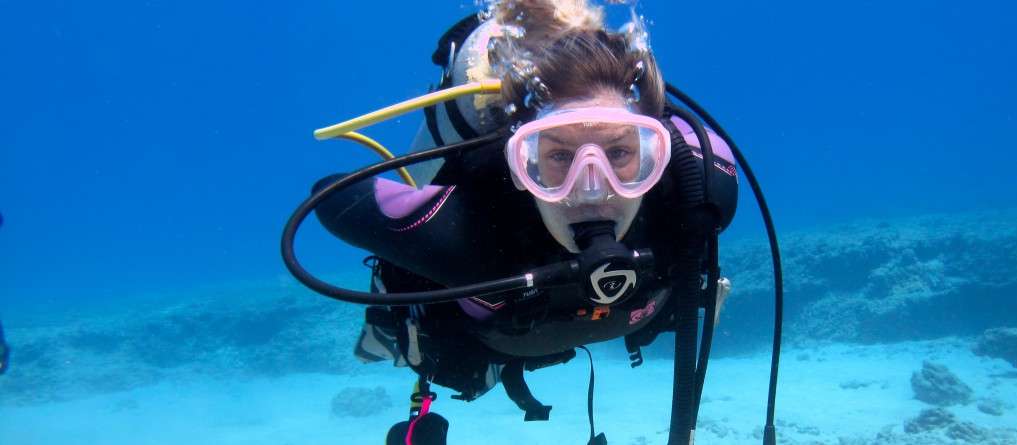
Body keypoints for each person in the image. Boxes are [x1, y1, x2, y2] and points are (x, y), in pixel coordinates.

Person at [285, 1, 773, 444]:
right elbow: (331, 197)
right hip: (479, 342)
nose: (592, 188)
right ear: (519, 166)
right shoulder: (465, 233)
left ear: (658, 156)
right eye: (558, 156)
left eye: (621, 153)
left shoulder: (696, 197)